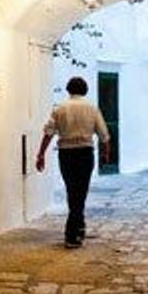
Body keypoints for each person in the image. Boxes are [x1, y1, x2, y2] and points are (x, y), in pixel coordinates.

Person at [36, 76, 112, 248]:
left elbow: (48, 132)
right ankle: (74, 231)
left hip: (66, 154)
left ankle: (77, 228)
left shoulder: (60, 109)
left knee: (72, 189)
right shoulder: (92, 108)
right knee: (81, 190)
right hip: (85, 153)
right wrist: (106, 153)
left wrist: (40, 154)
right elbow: (103, 133)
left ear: (68, 89)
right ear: (84, 90)